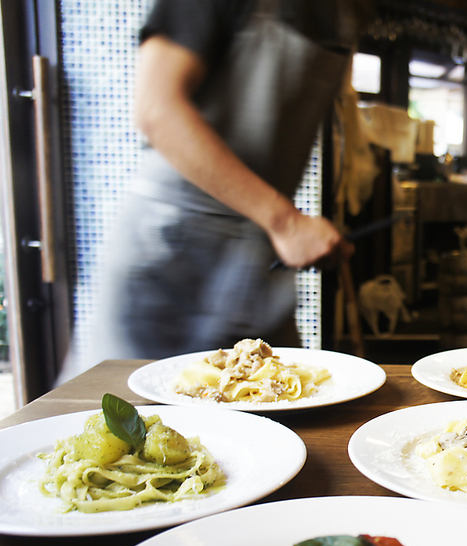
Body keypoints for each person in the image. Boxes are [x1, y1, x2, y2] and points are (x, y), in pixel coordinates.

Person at [67, 0, 371, 376]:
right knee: (127, 422)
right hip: (169, 264)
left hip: (254, 267)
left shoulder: (344, 12)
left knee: (283, 407)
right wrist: (285, 222)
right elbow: (157, 107)